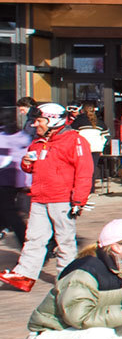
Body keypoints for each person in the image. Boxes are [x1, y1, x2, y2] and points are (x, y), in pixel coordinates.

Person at [2, 102, 94, 292]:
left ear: (52, 120)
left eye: (39, 120)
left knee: (65, 240)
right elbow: (30, 166)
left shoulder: (74, 141)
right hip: (39, 197)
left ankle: (66, 277)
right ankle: (25, 275)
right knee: (34, 238)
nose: (35, 124)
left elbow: (85, 172)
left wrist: (79, 200)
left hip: (62, 199)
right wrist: (26, 163)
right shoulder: (38, 141)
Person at [0, 100, 32, 248]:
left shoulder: (2, 137)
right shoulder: (22, 135)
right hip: (20, 178)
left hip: (4, 179)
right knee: (10, 211)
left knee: (11, 213)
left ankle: (26, 244)